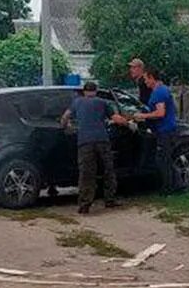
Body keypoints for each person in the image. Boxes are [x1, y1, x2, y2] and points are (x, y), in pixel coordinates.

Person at [60, 79, 119, 214]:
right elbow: (116, 118)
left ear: (85, 91)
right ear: (96, 91)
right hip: (102, 140)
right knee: (108, 170)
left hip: (84, 142)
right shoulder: (102, 103)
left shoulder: (77, 102)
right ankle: (109, 200)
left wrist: (66, 126)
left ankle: (85, 204)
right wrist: (128, 123)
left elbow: (64, 118)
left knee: (86, 173)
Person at [130, 63, 181, 193]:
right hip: (164, 130)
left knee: (162, 159)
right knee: (166, 158)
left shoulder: (159, 92)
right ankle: (178, 185)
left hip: (166, 131)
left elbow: (160, 113)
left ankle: (169, 187)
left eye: (146, 79)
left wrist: (143, 115)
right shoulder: (159, 90)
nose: (145, 82)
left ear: (152, 78)